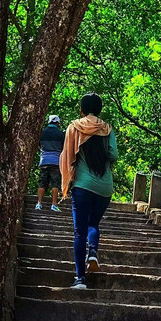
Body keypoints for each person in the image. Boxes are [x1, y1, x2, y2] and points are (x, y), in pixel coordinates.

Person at [60, 93, 118, 290]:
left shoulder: (74, 127)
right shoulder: (107, 129)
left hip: (82, 186)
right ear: (100, 109)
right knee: (93, 223)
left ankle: (79, 279)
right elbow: (113, 154)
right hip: (104, 187)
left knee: (79, 231)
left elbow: (67, 155)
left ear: (81, 109)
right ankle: (92, 251)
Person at [36, 114, 65, 212]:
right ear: (57, 123)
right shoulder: (61, 134)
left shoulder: (42, 133)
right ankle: (54, 204)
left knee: (42, 182)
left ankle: (39, 203)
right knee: (55, 184)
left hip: (44, 160)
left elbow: (38, 145)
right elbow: (64, 148)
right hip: (56, 162)